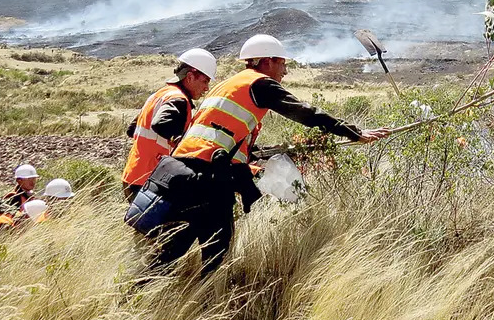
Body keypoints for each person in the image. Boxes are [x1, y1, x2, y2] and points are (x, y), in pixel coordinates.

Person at [138, 34, 390, 278]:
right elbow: (304, 112)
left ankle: (136, 299)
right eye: (282, 63)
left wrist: (262, 154)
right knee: (217, 251)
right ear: (266, 61)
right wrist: (352, 132)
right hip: (207, 178)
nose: (285, 71)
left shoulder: (229, 85)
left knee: (169, 253)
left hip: (182, 174)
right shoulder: (259, 83)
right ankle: (206, 305)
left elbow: (222, 136)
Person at [121, 48, 217, 202]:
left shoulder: (160, 94)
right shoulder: (178, 100)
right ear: (190, 77)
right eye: (205, 81)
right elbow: (160, 124)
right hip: (153, 181)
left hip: (132, 176)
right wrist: (184, 142)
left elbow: (131, 130)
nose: (206, 88)